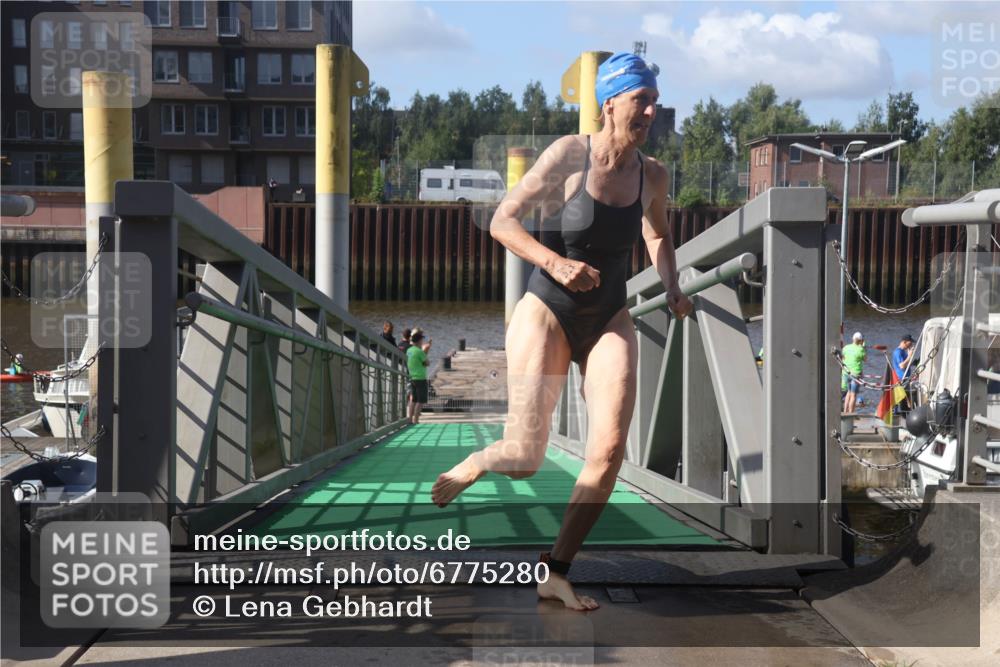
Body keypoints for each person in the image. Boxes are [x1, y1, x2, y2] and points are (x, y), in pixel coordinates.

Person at [429, 53, 692, 611]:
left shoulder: (653, 174)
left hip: (609, 317)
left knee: (609, 451)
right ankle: (479, 461)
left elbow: (658, 236)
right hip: (547, 309)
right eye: (640, 99)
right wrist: (556, 264)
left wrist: (671, 287)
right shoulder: (570, 156)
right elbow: (502, 221)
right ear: (609, 103)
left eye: (654, 100)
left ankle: (555, 570)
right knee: (526, 455)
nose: (651, 110)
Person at [406, 330, 431, 424]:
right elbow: (427, 363)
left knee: (413, 400)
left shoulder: (409, 350)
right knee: (420, 401)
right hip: (420, 378)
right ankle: (416, 420)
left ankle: (409, 419)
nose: (422, 342)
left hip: (412, 377)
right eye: (421, 340)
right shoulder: (419, 351)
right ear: (419, 341)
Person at [841, 332, 867, 414]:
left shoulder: (845, 347)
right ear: (861, 341)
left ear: (853, 339)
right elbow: (865, 359)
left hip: (846, 373)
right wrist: (863, 348)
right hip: (855, 374)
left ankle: (845, 412)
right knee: (853, 395)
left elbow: (843, 358)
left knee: (848, 393)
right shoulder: (861, 349)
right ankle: (850, 414)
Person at [891, 334, 916, 413]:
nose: (911, 345)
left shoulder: (903, 352)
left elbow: (906, 364)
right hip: (900, 379)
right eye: (910, 343)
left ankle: (903, 413)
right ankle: (897, 414)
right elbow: (902, 366)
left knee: (906, 400)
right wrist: (909, 356)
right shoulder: (898, 352)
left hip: (906, 379)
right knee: (902, 400)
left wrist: (913, 362)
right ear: (904, 342)